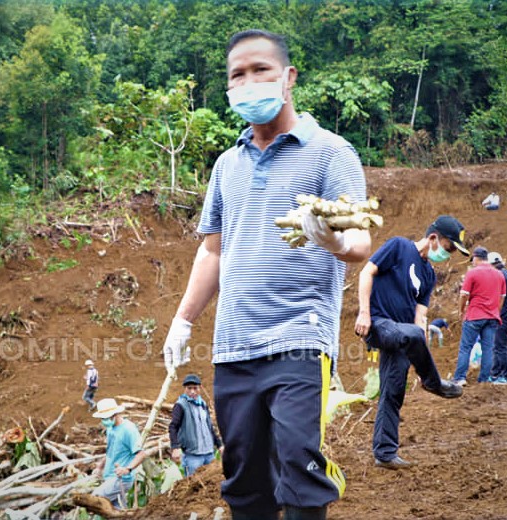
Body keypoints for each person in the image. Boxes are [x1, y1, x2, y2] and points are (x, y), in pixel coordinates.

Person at [161, 29, 372, 520]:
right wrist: (184, 319)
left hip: (299, 339)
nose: (249, 81)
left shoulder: (330, 152)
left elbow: (361, 241)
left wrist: (335, 241)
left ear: (288, 77)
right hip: (234, 345)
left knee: (298, 468)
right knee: (243, 480)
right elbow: (212, 252)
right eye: (239, 74)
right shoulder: (226, 165)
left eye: (262, 71)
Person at [355, 216, 466, 470]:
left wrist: (420, 352)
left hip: (404, 337)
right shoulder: (398, 246)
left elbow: (420, 316)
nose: (448, 255)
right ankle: (433, 382)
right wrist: (364, 313)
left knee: (393, 391)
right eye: (449, 248)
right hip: (380, 324)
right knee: (414, 335)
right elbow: (367, 271)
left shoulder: (428, 273)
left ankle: (385, 454)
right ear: (434, 238)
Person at [453, 247, 505, 386]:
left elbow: (464, 294)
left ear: (476, 258)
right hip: (492, 316)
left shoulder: (473, 273)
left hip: (475, 315)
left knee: (466, 347)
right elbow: (502, 297)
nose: (473, 263)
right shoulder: (499, 274)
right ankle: (484, 379)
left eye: (473, 260)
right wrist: (496, 311)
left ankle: (460, 378)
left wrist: (461, 310)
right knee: (488, 348)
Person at [91, 398, 146, 509]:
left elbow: (141, 454)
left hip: (121, 479)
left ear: (115, 414)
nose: (104, 421)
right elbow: (110, 451)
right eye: (102, 418)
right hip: (109, 477)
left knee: (94, 500)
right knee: (117, 511)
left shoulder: (128, 430)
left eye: (106, 418)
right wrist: (100, 467)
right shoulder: (110, 429)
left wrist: (127, 469)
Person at [169, 374, 223, 476]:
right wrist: (175, 447)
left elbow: (209, 427)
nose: (192, 391)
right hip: (192, 455)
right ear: (185, 389)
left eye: (195, 388)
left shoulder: (202, 404)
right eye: (189, 388)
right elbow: (173, 427)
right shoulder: (180, 405)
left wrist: (219, 445)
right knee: (193, 486)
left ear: (200, 388)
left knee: (212, 484)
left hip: (209, 453)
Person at [487, 252, 507, 385]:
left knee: (500, 346)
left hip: (505, 314)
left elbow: (499, 297)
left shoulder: (497, 276)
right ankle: (495, 374)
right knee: (497, 344)